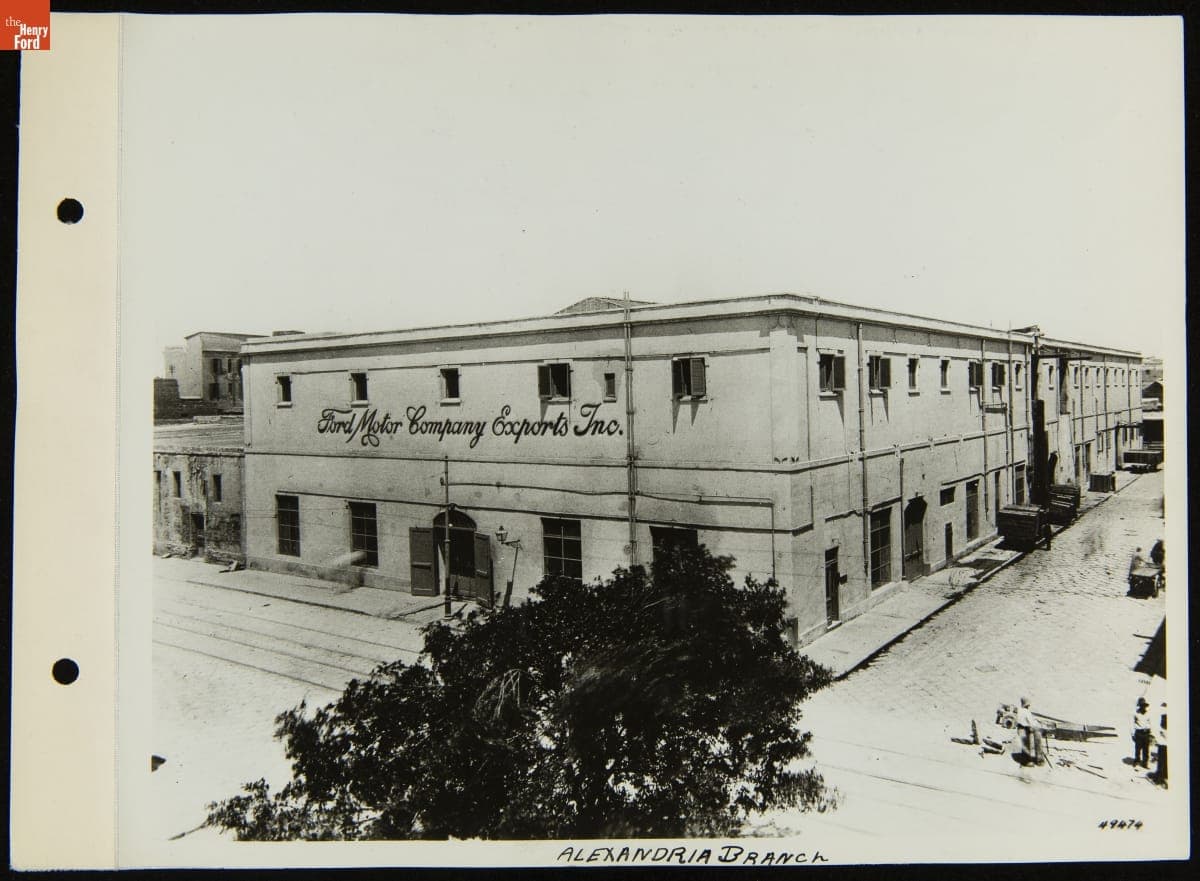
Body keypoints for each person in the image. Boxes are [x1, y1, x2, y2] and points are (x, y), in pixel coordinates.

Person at [1015, 697, 1044, 765]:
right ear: (1027, 704)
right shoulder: (1026, 711)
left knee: (1024, 745)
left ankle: (1026, 760)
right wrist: (1037, 723)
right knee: (1026, 745)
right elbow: (1031, 722)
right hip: (1024, 729)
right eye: (1028, 704)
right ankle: (1026, 762)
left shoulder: (1020, 709)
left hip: (1020, 728)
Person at [1132, 698, 1152, 769]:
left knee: (1146, 749)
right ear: (1139, 706)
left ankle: (1145, 763)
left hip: (1146, 733)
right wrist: (1132, 734)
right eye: (1141, 705)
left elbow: (1150, 723)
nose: (1143, 707)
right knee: (1138, 748)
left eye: (1144, 705)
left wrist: (1150, 733)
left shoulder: (1148, 714)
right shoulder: (1136, 713)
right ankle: (1137, 761)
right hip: (1139, 733)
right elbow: (1132, 724)